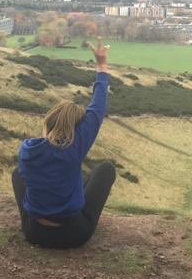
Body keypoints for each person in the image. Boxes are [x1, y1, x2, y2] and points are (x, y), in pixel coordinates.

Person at [11, 38, 116, 249]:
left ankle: (36, 216)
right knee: (106, 170)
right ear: (76, 129)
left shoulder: (27, 149)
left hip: (34, 232)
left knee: (17, 173)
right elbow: (97, 108)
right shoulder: (74, 148)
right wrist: (101, 65)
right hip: (74, 234)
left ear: (49, 121)